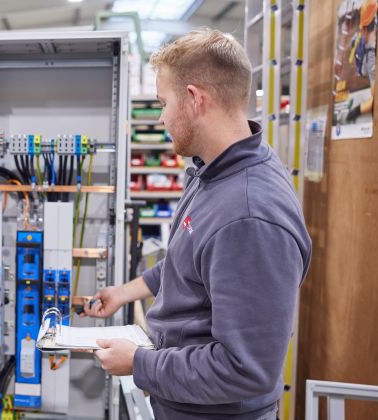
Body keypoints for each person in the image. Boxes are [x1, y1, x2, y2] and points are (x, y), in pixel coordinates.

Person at [83, 29, 312, 419]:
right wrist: (125, 292)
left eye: (163, 103)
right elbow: (188, 263)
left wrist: (140, 364)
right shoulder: (213, 172)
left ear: (193, 99)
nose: (160, 118)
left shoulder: (249, 214)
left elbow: (246, 370)